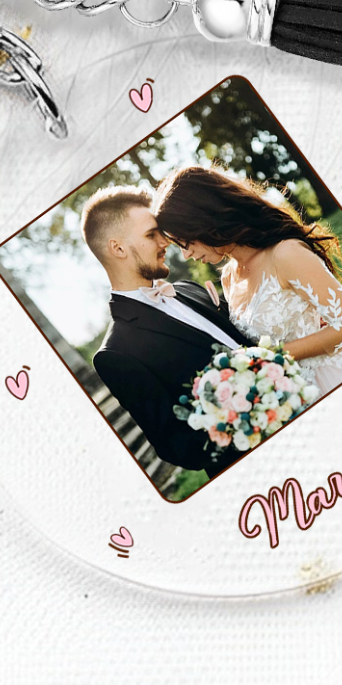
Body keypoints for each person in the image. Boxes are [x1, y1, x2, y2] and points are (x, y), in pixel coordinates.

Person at [152, 165, 342, 402]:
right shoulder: (229, 277)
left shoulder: (284, 254)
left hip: (340, 375)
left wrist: (268, 358)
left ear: (204, 221)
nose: (186, 254)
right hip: (294, 395)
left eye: (185, 241)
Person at [81, 186, 251, 474]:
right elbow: (175, 443)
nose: (166, 242)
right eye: (151, 235)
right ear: (118, 248)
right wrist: (252, 426)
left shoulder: (188, 289)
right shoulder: (116, 353)